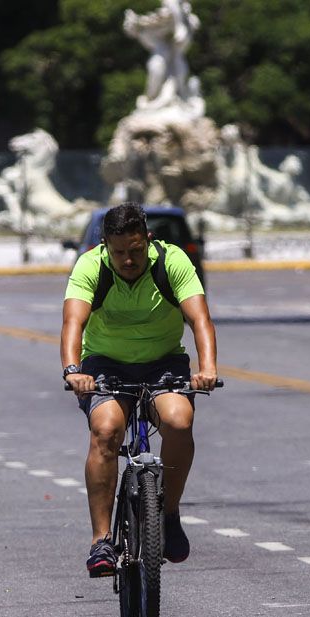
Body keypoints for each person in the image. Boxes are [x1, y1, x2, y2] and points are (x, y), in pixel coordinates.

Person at [60, 202, 218, 577]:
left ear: (147, 239)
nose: (128, 260)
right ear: (105, 246)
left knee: (178, 422)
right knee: (106, 429)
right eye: (119, 253)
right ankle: (101, 539)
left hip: (164, 361)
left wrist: (208, 368)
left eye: (135, 250)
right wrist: (73, 371)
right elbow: (73, 323)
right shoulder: (90, 266)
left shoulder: (172, 261)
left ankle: (169, 514)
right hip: (104, 363)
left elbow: (200, 319)